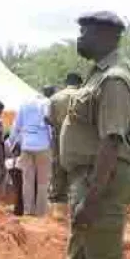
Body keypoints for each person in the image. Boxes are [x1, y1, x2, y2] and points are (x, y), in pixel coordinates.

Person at [24, 11, 130, 259]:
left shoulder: (115, 79)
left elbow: (111, 141)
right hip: (87, 179)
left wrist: (92, 198)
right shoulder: (98, 74)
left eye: (84, 31)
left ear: (106, 35)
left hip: (101, 180)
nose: (79, 38)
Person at [9, 87, 53, 216]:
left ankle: (28, 211)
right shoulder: (47, 103)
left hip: (26, 144)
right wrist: (53, 143)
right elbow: (49, 124)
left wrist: (13, 143)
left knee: (27, 180)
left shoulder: (25, 103)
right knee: (43, 181)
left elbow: (16, 126)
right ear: (50, 93)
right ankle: (40, 212)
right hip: (43, 145)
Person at [48, 73, 83, 206]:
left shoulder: (55, 98)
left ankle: (57, 200)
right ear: (80, 83)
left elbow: (49, 119)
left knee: (58, 168)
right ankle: (75, 199)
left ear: (66, 82)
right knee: (78, 168)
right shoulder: (84, 96)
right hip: (79, 139)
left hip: (59, 139)